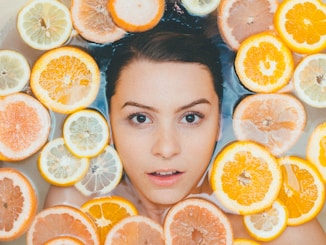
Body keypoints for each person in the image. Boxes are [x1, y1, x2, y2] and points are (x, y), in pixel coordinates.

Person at [44, 28, 326, 244]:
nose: (166, 148)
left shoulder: (281, 231)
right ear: (109, 126)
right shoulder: (76, 210)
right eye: (140, 118)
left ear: (219, 123)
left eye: (191, 118)